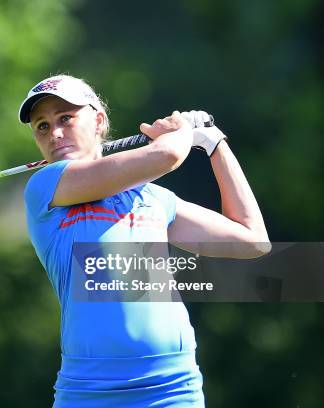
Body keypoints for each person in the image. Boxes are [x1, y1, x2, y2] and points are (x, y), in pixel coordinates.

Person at [18, 74, 270, 407]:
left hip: (173, 387)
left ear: (98, 121)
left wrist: (213, 144)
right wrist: (181, 133)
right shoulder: (45, 187)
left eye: (65, 118)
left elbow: (252, 240)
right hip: (90, 392)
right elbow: (165, 157)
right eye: (43, 126)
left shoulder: (152, 197)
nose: (55, 133)